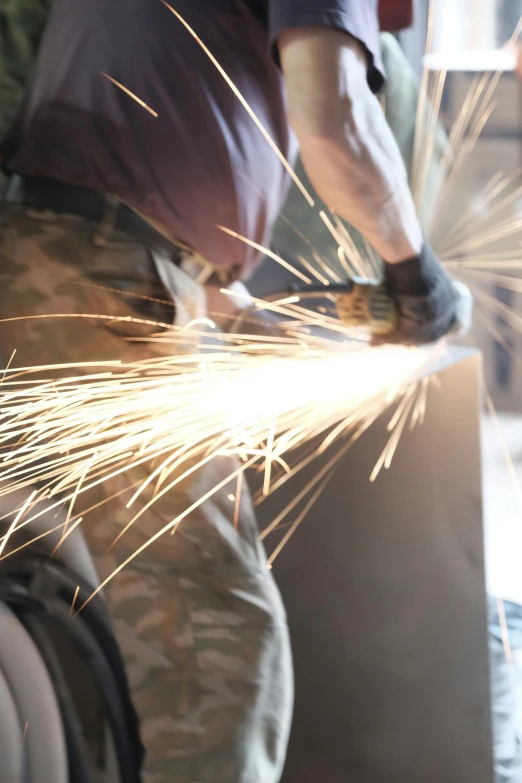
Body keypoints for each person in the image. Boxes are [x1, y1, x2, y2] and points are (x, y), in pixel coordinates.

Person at [0, 1, 461, 780]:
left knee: (75, 607)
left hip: (45, 264)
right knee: (217, 643)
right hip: (102, 284)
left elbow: (116, 170)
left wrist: (212, 293)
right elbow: (336, 120)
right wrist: (416, 271)